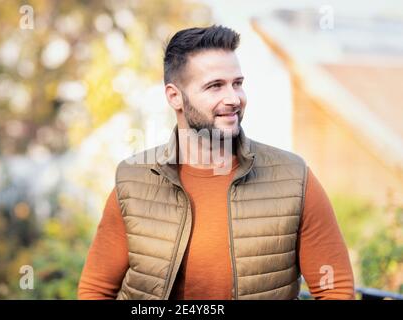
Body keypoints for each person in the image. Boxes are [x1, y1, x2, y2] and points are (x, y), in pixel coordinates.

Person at [78, 25, 355, 300]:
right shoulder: (134, 181)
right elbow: (96, 290)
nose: (234, 99)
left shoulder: (294, 178)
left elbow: (335, 290)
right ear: (175, 96)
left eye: (238, 83)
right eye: (215, 86)